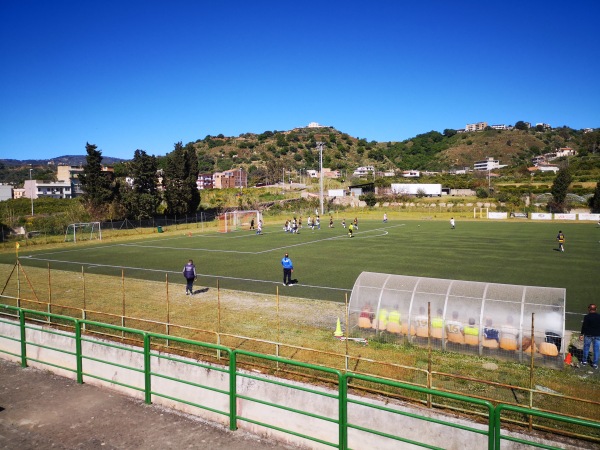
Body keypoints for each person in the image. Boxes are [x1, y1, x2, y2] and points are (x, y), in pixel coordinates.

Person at [579, 304, 600, 368]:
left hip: (588, 335)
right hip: (597, 335)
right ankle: (595, 364)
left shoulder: (587, 317)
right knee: (596, 350)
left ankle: (584, 361)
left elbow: (584, 326)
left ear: (589, 309)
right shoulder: (599, 316)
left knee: (586, 348)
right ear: (596, 309)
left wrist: (581, 334)